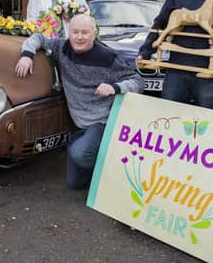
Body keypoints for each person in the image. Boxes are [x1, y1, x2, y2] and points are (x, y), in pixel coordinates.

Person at [15, 14, 143, 189]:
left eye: (85, 32)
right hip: (78, 125)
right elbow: (38, 37)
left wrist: (115, 87)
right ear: (69, 32)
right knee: (74, 184)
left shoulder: (107, 57)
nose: (79, 37)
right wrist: (27, 54)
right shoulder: (62, 48)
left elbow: (137, 81)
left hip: (100, 122)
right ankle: (92, 160)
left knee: (80, 154)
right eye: (75, 32)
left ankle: (112, 168)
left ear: (94, 33)